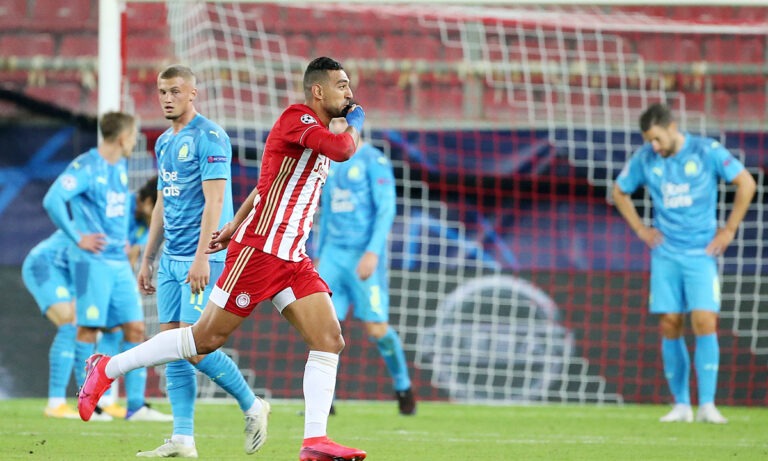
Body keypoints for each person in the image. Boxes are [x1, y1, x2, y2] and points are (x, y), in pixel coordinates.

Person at [78, 56, 367, 461]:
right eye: (342, 85)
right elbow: (342, 149)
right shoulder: (297, 119)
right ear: (318, 91)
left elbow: (267, 184)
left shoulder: (313, 133)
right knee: (203, 340)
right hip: (261, 252)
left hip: (292, 257)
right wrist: (356, 122)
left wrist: (233, 223)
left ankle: (314, 441)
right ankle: (106, 368)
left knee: (329, 339)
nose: (349, 94)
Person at [127, 64, 269, 458]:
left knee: (194, 347)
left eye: (175, 91)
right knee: (170, 347)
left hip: (202, 257)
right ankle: (183, 438)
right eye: (162, 92)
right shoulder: (163, 142)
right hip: (171, 259)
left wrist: (203, 256)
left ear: (193, 93)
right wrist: (148, 257)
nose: (167, 98)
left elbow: (216, 200)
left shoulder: (210, 137)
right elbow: (162, 201)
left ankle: (253, 405)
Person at [612, 103, 756, 424]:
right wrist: (641, 230)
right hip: (666, 254)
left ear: (673, 127)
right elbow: (619, 191)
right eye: (649, 140)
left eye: (657, 138)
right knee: (670, 323)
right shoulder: (646, 159)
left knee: (704, 320)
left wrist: (729, 229)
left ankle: (707, 405)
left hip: (701, 254)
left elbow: (746, 183)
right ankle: (680, 405)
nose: (654, 146)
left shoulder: (706, 151)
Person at [43, 111, 172, 423]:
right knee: (87, 328)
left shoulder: (119, 169)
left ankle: (136, 406)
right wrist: (78, 237)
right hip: (92, 261)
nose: (135, 141)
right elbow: (53, 200)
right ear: (123, 138)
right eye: (134, 135)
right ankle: (89, 402)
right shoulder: (87, 166)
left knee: (135, 328)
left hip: (117, 264)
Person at [317, 121, 416, 415]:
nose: (336, 129)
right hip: (333, 256)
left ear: (354, 127)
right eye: (332, 123)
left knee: (376, 328)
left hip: (363, 255)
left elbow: (386, 209)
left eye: (342, 123)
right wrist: (320, 254)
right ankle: (324, 401)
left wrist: (373, 252)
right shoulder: (329, 161)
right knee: (322, 328)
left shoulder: (374, 160)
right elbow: (325, 210)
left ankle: (403, 386)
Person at [98, 174, 159, 418]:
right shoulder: (118, 207)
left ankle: (135, 406)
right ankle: (99, 400)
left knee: (134, 330)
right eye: (157, 208)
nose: (159, 215)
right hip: (95, 272)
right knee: (109, 330)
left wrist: (128, 294)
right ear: (147, 201)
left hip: (118, 278)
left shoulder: (144, 223)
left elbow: (131, 256)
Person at [22, 231, 82, 419]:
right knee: (69, 324)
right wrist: (77, 294)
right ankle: (56, 403)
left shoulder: (139, 231)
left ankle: (94, 401)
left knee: (79, 328)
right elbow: (83, 255)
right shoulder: (100, 221)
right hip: (45, 264)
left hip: (69, 272)